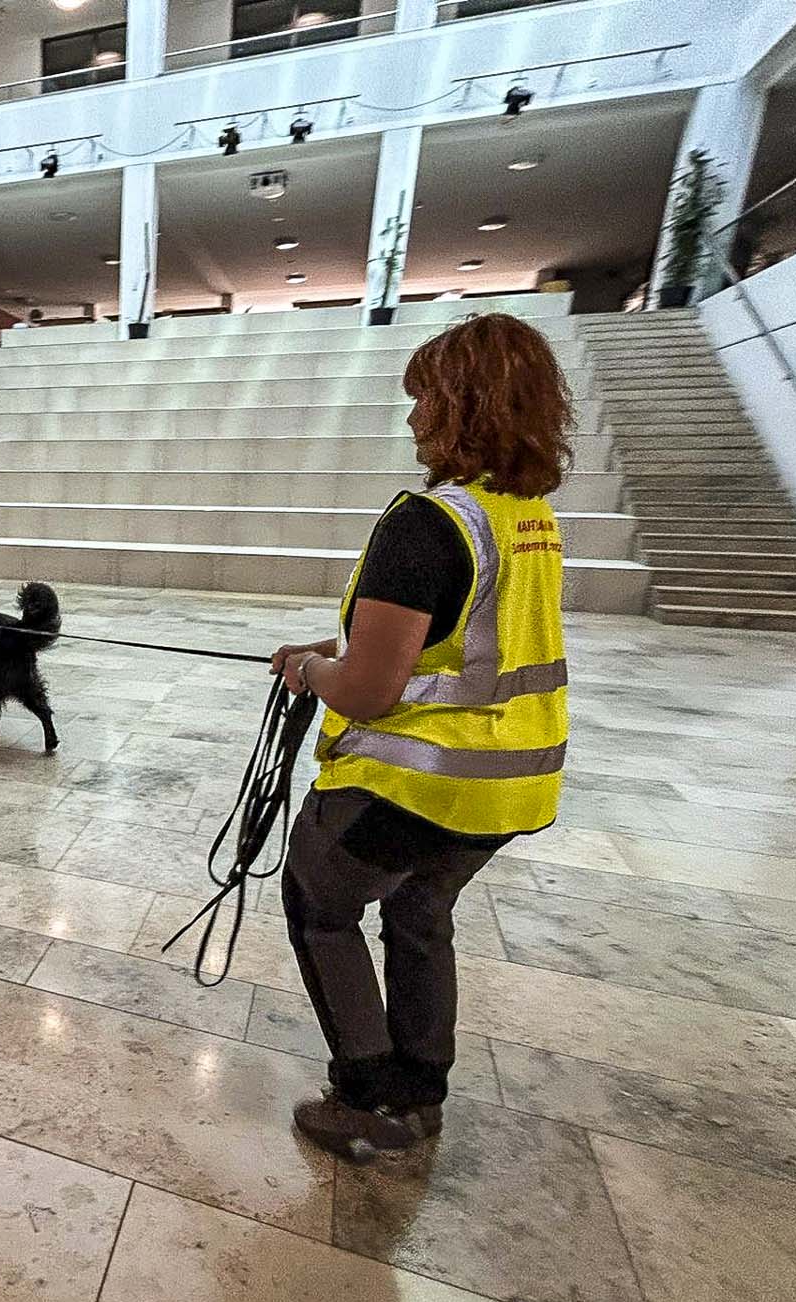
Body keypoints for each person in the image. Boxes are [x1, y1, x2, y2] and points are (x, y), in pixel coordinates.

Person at [270, 312, 572, 1161]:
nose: (412, 417)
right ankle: (420, 1091)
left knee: (320, 905)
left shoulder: (426, 522)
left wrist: (313, 671)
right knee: (418, 910)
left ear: (460, 404)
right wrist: (339, 651)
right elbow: (462, 640)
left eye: (423, 397)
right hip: (511, 786)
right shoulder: (524, 514)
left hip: (421, 782)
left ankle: (368, 1096)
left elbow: (370, 692)